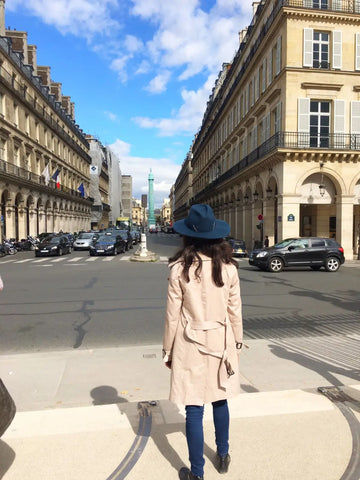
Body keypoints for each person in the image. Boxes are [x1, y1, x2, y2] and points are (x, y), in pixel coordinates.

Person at [163, 204, 243, 480]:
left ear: (188, 236)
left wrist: (167, 349)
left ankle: (197, 473)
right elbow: (235, 310)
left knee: (193, 407)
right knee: (220, 400)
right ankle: (223, 455)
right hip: (221, 338)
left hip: (189, 341)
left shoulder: (179, 269)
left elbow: (172, 315)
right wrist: (238, 342)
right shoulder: (229, 268)